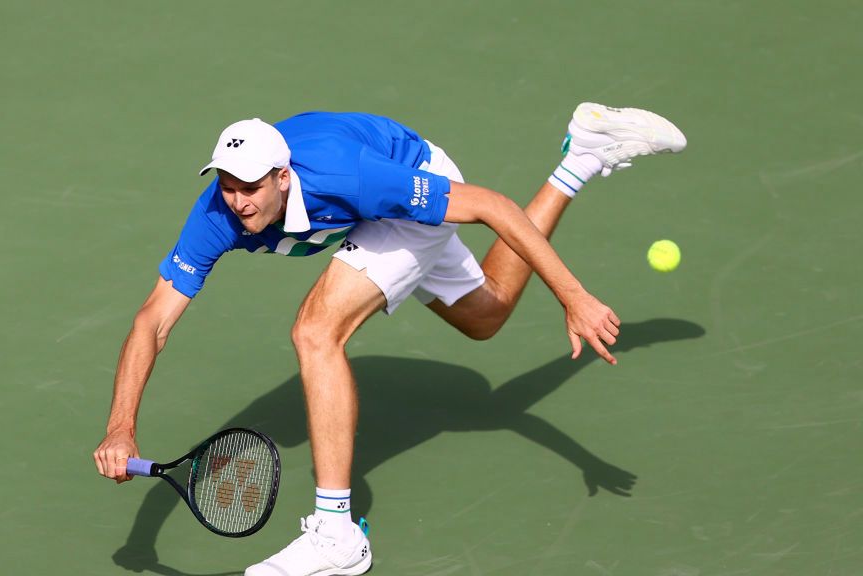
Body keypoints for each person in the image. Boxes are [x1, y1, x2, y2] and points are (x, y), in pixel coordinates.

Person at [93, 103, 686, 576]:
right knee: (487, 315)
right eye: (226, 184)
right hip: (367, 207)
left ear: (282, 176)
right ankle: (581, 158)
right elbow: (153, 320)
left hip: (406, 182)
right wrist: (121, 428)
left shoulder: (349, 177)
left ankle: (336, 536)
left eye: (250, 186)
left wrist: (574, 296)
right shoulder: (216, 214)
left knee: (315, 331)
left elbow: (491, 206)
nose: (238, 199)